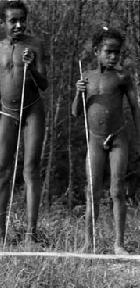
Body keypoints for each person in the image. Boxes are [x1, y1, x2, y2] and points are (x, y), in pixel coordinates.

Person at [0, 0, 48, 245]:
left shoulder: (35, 46)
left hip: (32, 111)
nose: (19, 25)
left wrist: (31, 68)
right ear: (3, 23)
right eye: (13, 20)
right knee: (1, 169)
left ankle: (31, 233)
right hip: (7, 113)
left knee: (30, 167)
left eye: (22, 20)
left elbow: (44, 85)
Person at [72, 27, 140, 255]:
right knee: (92, 190)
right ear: (96, 51)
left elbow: (135, 108)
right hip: (95, 140)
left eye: (117, 53)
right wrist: (78, 92)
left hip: (118, 138)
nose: (113, 57)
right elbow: (75, 113)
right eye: (108, 52)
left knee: (117, 190)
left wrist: (138, 138)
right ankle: (88, 243)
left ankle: (119, 244)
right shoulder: (87, 77)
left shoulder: (123, 77)